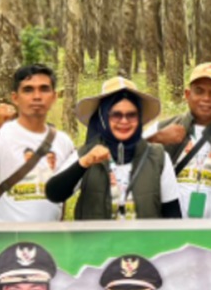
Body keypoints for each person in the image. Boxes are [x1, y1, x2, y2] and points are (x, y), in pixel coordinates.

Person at [44, 77, 180, 220]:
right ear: (103, 117)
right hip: (97, 242)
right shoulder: (86, 154)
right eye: (116, 115)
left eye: (131, 115)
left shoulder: (158, 157)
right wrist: (84, 163)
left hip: (145, 242)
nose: (124, 121)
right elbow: (54, 193)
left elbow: (172, 213)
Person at [0, 64, 76, 222]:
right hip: (4, 238)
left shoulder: (63, 141)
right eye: (28, 90)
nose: (37, 96)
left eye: (44, 89)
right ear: (15, 98)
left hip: (49, 239)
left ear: (54, 96)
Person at [151, 63, 211, 219]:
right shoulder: (162, 129)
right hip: (173, 230)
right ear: (187, 94)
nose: (206, 99)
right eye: (199, 91)